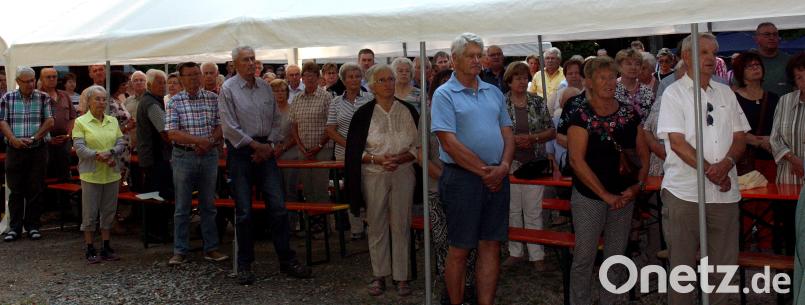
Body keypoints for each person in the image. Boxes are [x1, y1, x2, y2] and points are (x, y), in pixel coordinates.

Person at [657, 33, 750, 305]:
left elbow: (740, 136)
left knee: (723, 269)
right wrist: (712, 171)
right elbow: (677, 142)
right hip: (684, 192)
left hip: (724, 194)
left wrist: (727, 164)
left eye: (713, 52)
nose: (711, 58)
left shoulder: (725, 92)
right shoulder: (673, 93)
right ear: (687, 57)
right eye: (704, 53)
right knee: (683, 269)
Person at [431, 33, 514, 305]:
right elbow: (449, 143)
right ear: (454, 59)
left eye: (480, 55)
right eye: (470, 55)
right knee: (460, 248)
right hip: (463, 180)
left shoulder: (493, 91)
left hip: (496, 176)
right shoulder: (444, 94)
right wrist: (485, 172)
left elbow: (508, 133)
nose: (477, 60)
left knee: (491, 245)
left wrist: (502, 166)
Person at [219, 46, 311, 285]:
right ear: (235, 64)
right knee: (245, 211)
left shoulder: (264, 87)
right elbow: (229, 127)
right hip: (241, 152)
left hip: (265, 150)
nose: (251, 63)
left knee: (279, 207)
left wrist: (267, 145)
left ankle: (286, 260)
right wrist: (254, 146)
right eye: (246, 60)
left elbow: (275, 119)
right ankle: (245, 264)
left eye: (253, 59)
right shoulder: (228, 89)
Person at [563, 56, 648, 305]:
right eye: (602, 77)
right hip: (590, 197)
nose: (609, 82)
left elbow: (643, 154)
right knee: (585, 256)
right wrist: (605, 195)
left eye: (612, 76)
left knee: (615, 256)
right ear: (588, 81)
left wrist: (637, 186)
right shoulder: (580, 114)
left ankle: (609, 300)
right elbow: (576, 161)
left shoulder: (629, 113)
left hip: (624, 196)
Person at [344, 64, 420, 296]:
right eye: (382, 80)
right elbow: (354, 152)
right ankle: (379, 275)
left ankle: (402, 276)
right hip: (373, 174)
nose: (388, 84)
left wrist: (400, 158)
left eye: (391, 79)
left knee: (401, 224)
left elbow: (417, 147)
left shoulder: (407, 110)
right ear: (372, 86)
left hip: (403, 172)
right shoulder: (363, 114)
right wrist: (377, 160)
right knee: (376, 224)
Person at [164, 62, 228, 265]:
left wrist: (209, 142)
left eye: (196, 75)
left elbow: (221, 125)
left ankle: (211, 247)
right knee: (182, 206)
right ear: (181, 79)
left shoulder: (213, 99)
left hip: (208, 156)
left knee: (208, 205)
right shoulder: (174, 102)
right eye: (189, 75)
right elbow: (171, 132)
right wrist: (199, 141)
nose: (193, 79)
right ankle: (180, 250)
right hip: (184, 157)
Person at [500, 62, 555, 271]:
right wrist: (513, 139)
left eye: (525, 77)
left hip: (534, 162)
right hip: (509, 162)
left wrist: (532, 138)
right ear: (509, 81)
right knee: (513, 209)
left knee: (533, 210)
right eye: (517, 78)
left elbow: (551, 131)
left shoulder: (538, 102)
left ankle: (536, 254)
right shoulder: (501, 103)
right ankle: (515, 252)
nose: (522, 82)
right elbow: (494, 131)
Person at [73, 85, 126, 263]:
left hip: (111, 172)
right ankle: (89, 247)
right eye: (97, 99)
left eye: (104, 99)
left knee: (108, 211)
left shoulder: (112, 121)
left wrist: (110, 152)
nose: (101, 102)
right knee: (90, 211)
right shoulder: (81, 122)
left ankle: (106, 245)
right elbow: (79, 148)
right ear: (88, 101)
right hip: (91, 174)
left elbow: (121, 143)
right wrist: (98, 155)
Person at [0, 66, 54, 242]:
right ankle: (15, 227)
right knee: (15, 190)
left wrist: (34, 137)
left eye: (32, 80)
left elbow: (49, 121)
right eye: (26, 81)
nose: (31, 84)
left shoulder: (43, 97)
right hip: (14, 149)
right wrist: (13, 139)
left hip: (37, 149)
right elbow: (2, 121)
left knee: (35, 188)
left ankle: (33, 226)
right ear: (17, 82)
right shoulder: (7, 98)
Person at [325, 63, 373, 240]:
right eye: (350, 77)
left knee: (370, 188)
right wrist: (349, 145)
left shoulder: (370, 98)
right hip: (344, 152)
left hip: (368, 151)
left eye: (357, 76)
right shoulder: (336, 102)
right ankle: (356, 228)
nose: (354, 80)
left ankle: (371, 224)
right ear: (343, 80)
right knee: (352, 189)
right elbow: (330, 129)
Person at [290, 61, 333, 203]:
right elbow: (294, 125)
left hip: (322, 149)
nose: (309, 78)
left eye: (313, 75)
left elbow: (331, 125)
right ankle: (311, 223)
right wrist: (301, 147)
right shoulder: (297, 99)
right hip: (303, 150)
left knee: (321, 187)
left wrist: (318, 146)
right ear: (302, 78)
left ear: (318, 77)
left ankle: (324, 223)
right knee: (307, 188)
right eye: (306, 75)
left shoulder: (326, 97)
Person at [136, 69, 173, 199]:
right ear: (150, 85)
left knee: (153, 194)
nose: (163, 86)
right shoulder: (151, 103)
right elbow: (165, 131)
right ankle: (157, 220)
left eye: (164, 82)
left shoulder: (152, 100)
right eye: (159, 83)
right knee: (158, 195)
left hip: (152, 156)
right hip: (155, 157)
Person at [40, 68, 77, 183]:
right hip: (44, 142)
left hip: (64, 141)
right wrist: (48, 138)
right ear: (41, 79)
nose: (52, 79)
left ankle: (65, 200)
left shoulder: (64, 95)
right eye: (48, 77)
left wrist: (68, 134)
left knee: (64, 176)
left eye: (54, 76)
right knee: (46, 176)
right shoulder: (36, 97)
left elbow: (72, 117)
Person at [268, 79, 300, 203]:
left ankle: (291, 221)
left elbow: (297, 134)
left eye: (282, 90)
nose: (280, 93)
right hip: (272, 154)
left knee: (290, 191)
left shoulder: (293, 109)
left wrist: (283, 147)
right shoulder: (267, 111)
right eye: (276, 91)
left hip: (290, 154)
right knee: (275, 191)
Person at [107, 72, 134, 187]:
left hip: (125, 143)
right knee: (115, 175)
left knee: (123, 174)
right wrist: (128, 126)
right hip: (115, 144)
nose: (126, 86)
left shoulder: (119, 100)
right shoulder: (109, 103)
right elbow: (109, 127)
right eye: (123, 84)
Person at [754, 22, 793, 97]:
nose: (772, 37)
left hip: (785, 107)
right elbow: (736, 89)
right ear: (756, 39)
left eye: (775, 34)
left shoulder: (790, 61)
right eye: (767, 34)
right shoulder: (746, 62)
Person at [616, 48, 655, 121]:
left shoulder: (647, 92)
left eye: (637, 64)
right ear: (619, 67)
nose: (633, 67)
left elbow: (651, 121)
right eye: (628, 64)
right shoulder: (611, 90)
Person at [125, 71, 147, 150]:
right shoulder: (127, 101)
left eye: (141, 80)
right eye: (135, 80)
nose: (138, 82)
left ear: (146, 82)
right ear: (131, 83)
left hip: (146, 144)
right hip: (130, 144)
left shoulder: (151, 99)